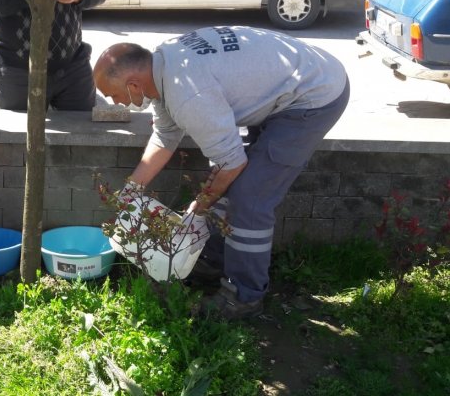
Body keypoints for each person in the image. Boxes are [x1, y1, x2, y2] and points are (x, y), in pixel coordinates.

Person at [93, 26, 350, 320]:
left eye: (112, 95)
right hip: (287, 83)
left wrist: (199, 206)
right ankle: (214, 259)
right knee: (232, 189)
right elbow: (165, 137)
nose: (113, 103)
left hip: (315, 94)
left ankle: (244, 297)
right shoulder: (165, 68)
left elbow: (232, 164)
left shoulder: (188, 94)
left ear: (134, 85)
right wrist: (129, 192)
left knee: (249, 197)